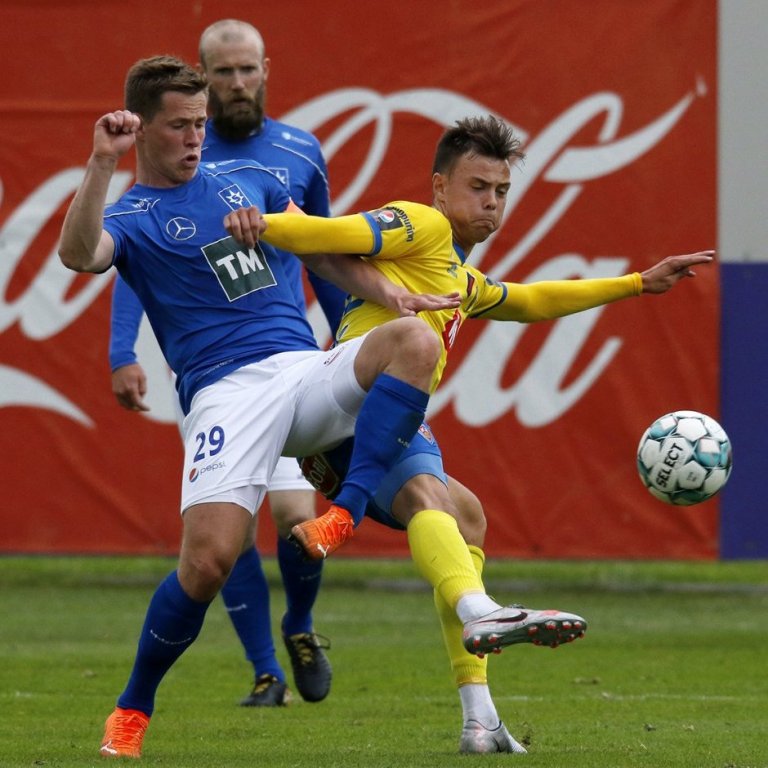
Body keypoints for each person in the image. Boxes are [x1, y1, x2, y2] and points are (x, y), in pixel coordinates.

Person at [225, 114, 714, 753]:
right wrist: (262, 223)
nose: (491, 203)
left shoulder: (456, 274)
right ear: (439, 187)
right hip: (353, 407)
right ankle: (478, 608)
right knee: (432, 499)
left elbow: (529, 301)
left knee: (469, 518)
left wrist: (637, 284)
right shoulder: (421, 224)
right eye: (478, 187)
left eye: (501, 191)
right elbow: (331, 233)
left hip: (371, 419)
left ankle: (480, 718)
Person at [57, 55, 465, 759]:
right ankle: (132, 706)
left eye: (201, 123)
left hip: (301, 368)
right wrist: (99, 163)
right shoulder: (132, 214)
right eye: (180, 126)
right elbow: (78, 254)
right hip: (226, 395)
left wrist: (392, 294)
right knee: (209, 562)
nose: (195, 137)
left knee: (411, 342)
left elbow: (322, 253)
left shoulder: (245, 185)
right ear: (144, 131)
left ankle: (347, 509)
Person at [108, 19, 347, 708]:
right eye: (223, 73)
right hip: (215, 374)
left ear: (265, 69)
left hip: (288, 359)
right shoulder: (163, 191)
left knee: (302, 521)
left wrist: (342, 332)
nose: (237, 84)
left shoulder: (296, 153)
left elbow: (322, 253)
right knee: (223, 537)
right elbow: (133, 258)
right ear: (203, 77)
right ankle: (264, 668)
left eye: (247, 70)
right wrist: (123, 350)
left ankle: (299, 626)